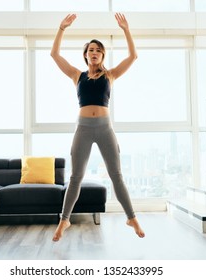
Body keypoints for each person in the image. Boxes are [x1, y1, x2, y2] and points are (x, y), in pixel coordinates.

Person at [51, 13, 145, 241]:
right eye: (90, 50)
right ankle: (64, 220)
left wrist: (126, 29)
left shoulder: (110, 75)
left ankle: (131, 217)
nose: (94, 53)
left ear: (102, 55)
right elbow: (54, 54)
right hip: (83, 128)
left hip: (105, 129)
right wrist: (62, 28)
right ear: (85, 55)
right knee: (76, 177)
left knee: (117, 175)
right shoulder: (77, 75)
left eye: (98, 50)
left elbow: (133, 56)